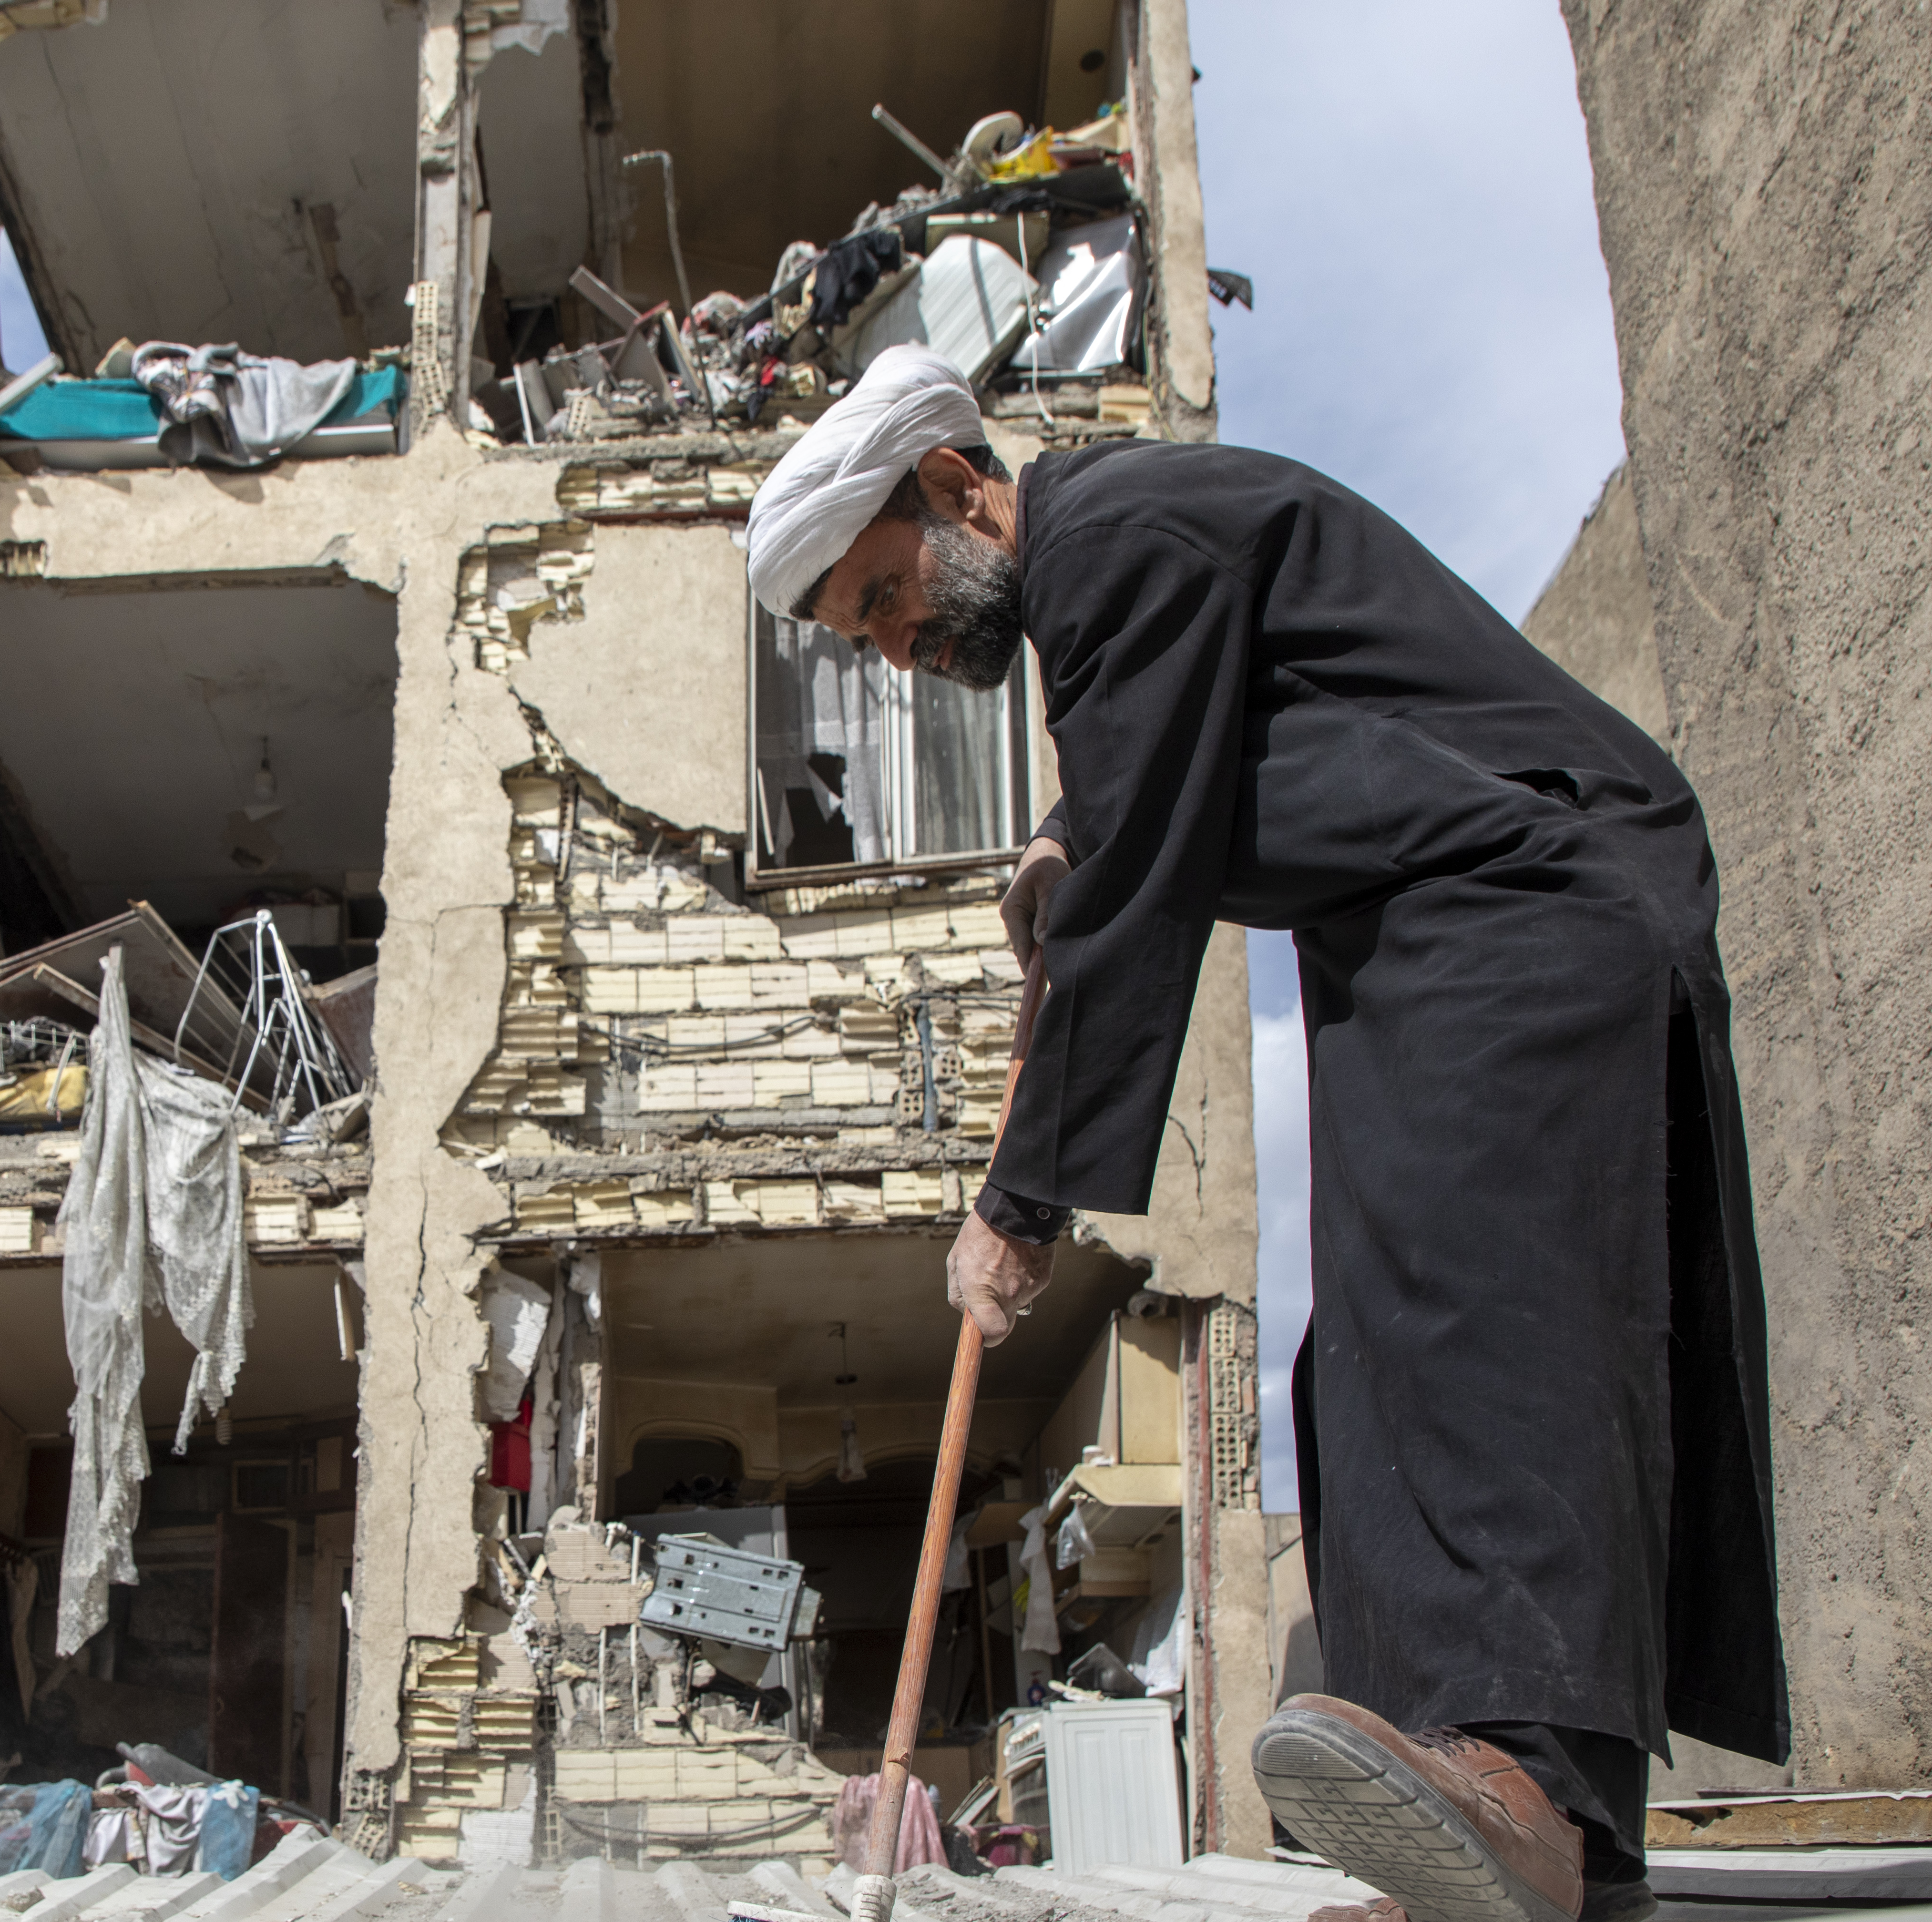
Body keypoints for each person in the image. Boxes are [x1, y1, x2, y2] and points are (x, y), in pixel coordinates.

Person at [744, 347, 1786, 1922]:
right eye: (865, 635)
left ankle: (1521, 1788)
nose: (894, 650)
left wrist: (1016, 1208)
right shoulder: (1106, 586)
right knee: (1362, 1343)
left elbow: (1146, 885)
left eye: (883, 598)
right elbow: (1155, 785)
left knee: (1479, 1318)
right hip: (1415, 935)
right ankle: (1526, 1842)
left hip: (1526, 898)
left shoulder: (1105, 539)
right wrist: (1063, 837)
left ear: (958, 490)